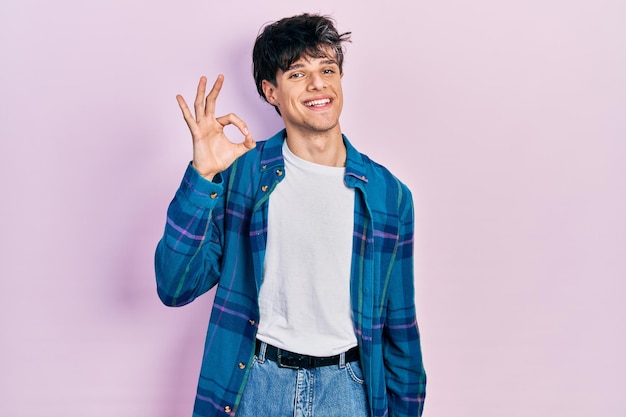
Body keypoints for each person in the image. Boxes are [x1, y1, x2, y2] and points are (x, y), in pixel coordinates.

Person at [155, 13, 426, 417]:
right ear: (271, 92)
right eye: (298, 73)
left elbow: (400, 328)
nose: (318, 84)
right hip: (256, 383)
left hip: (349, 389)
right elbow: (175, 286)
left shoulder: (389, 195)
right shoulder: (243, 176)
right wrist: (204, 178)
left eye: (327, 69)